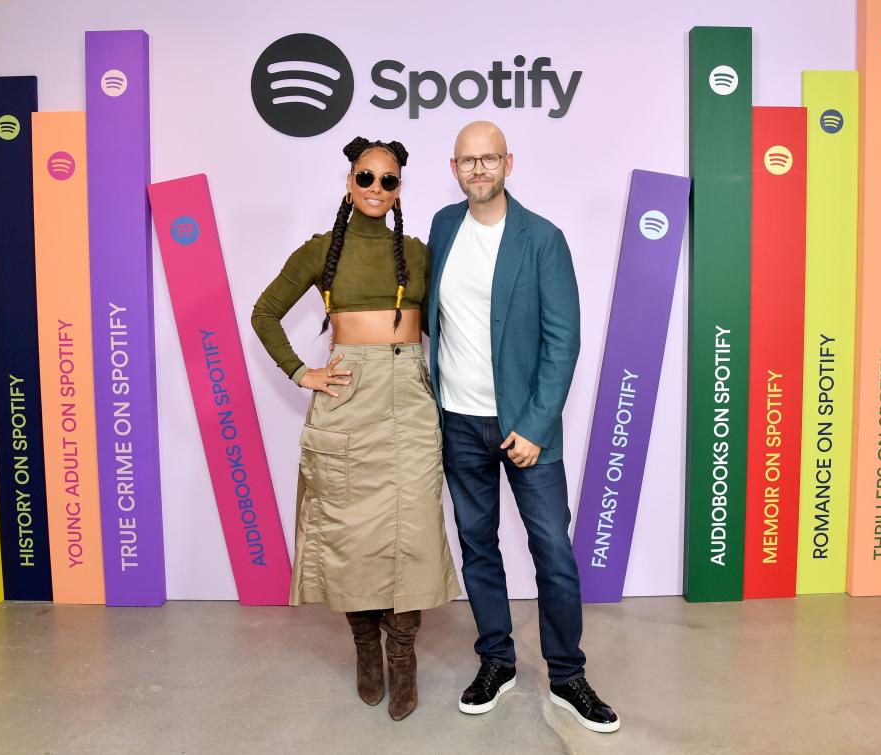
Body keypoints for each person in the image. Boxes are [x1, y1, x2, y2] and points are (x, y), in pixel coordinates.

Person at [251, 137, 460, 721]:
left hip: (410, 401)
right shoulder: (320, 251)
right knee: (348, 537)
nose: (375, 188)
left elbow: (457, 318)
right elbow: (264, 312)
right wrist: (300, 372)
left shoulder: (419, 254)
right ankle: (366, 649)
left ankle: (403, 655)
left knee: (413, 533)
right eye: (365, 177)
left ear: (400, 189)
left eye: (388, 180)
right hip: (347, 400)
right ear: (349, 183)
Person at [425, 121, 620, 733]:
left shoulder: (542, 238)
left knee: (553, 553)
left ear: (508, 162)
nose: (478, 169)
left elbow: (564, 342)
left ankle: (567, 675)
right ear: (453, 167)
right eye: (467, 160)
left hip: (527, 430)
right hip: (460, 422)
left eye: (488, 159)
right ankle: (496, 661)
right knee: (478, 546)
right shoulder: (442, 227)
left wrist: (534, 425)